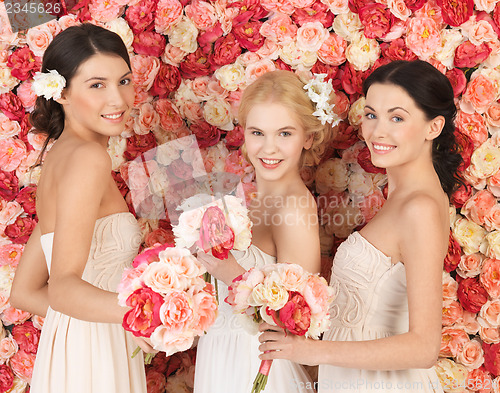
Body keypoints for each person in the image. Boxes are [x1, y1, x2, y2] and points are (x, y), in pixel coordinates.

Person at [258, 60, 463, 392]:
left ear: (433, 127)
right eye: (371, 115)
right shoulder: (405, 196)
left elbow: (424, 348)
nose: (377, 132)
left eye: (397, 118)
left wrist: (311, 351)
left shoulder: (419, 207)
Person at [9, 24, 154, 393]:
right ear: (62, 93)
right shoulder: (89, 159)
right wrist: (143, 314)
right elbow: (63, 289)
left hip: (80, 345)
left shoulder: (59, 159)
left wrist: (102, 321)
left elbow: (25, 292)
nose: (118, 100)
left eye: (123, 81)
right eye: (96, 85)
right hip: (95, 359)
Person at [193, 70, 335, 393]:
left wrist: (231, 273)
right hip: (220, 358)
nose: (268, 148)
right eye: (258, 132)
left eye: (285, 134)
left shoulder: (295, 207)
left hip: (258, 370)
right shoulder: (245, 202)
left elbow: (298, 324)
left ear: (308, 138)